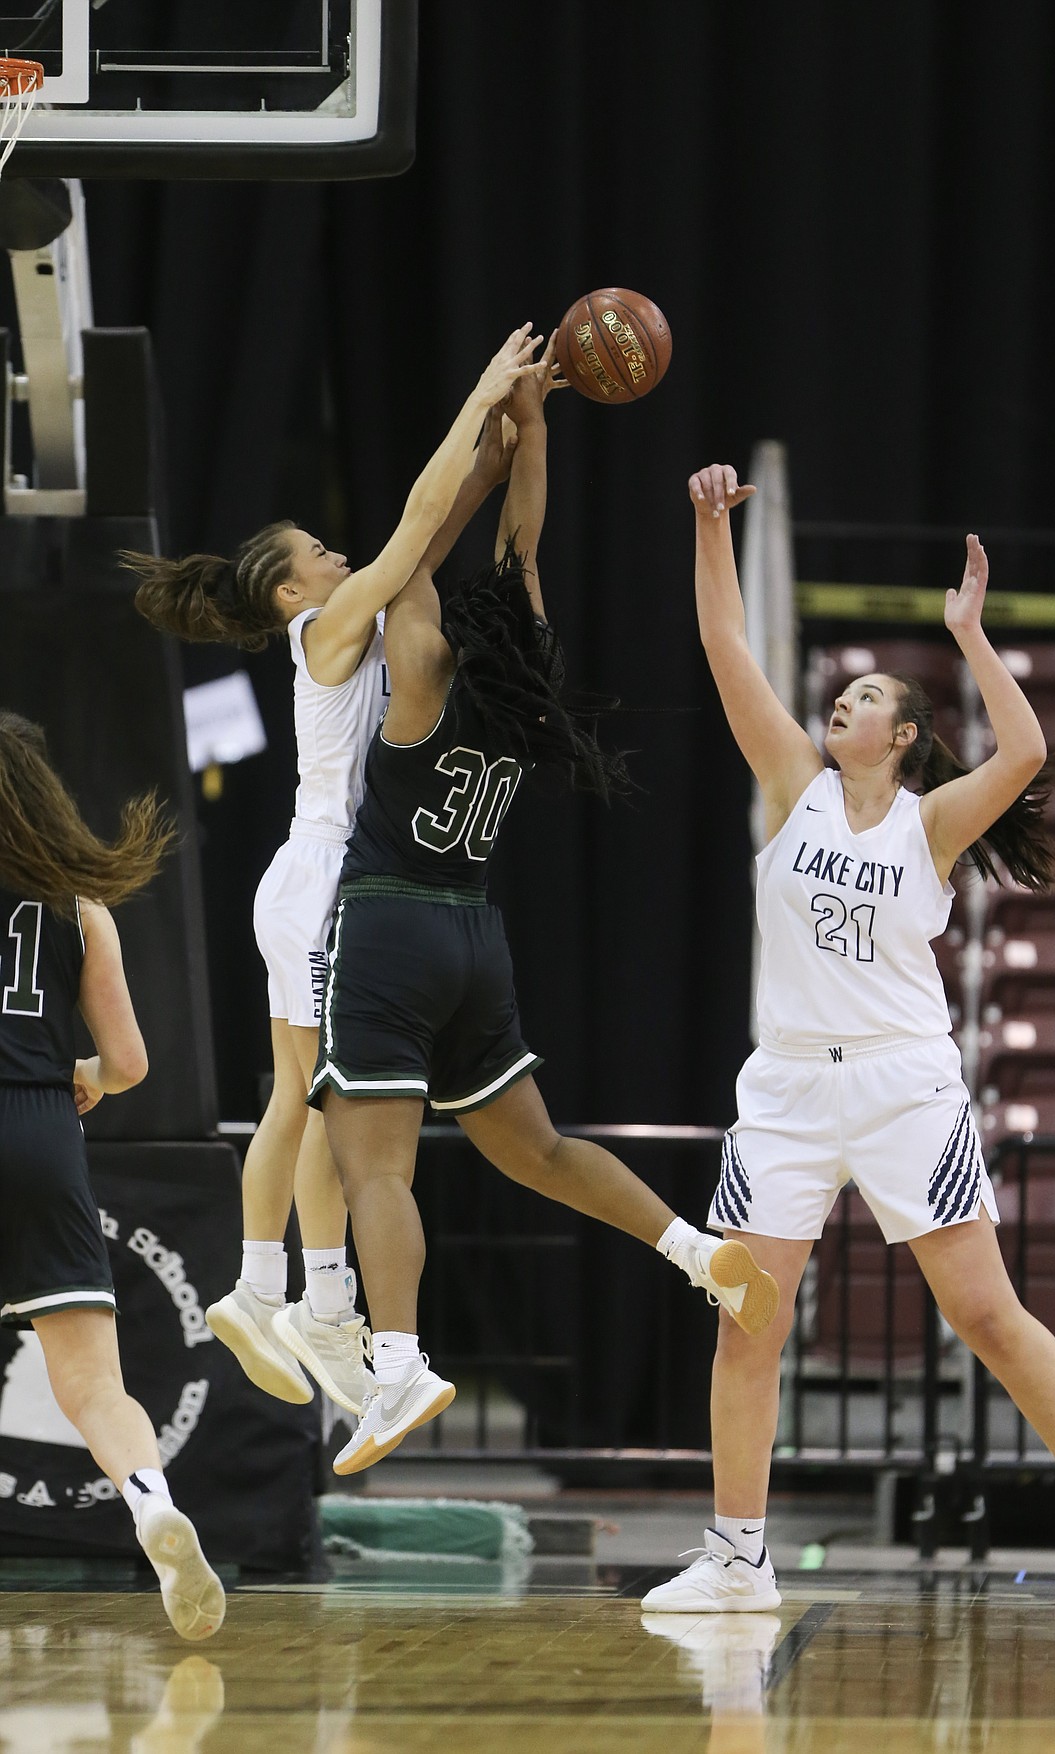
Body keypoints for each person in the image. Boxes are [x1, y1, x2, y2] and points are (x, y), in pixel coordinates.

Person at [642, 462, 1055, 1619]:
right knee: (747, 1318)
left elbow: (1026, 752)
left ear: (908, 732)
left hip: (900, 1087)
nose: (844, 698)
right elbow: (728, 643)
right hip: (784, 1083)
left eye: (869, 694)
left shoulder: (933, 821)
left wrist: (968, 634)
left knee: (984, 1312)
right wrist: (708, 527)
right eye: (842, 692)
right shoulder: (793, 785)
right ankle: (740, 1557)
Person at [308, 360, 781, 1477]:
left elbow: (413, 550)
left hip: (388, 926)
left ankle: (399, 1357)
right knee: (539, 1148)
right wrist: (531, 434)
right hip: (477, 935)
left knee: (374, 1168)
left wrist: (484, 420)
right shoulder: (526, 691)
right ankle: (689, 1243)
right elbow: (522, 556)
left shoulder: (418, 666)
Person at [128, 326, 544, 1420]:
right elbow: (409, 530)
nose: (335, 552)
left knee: (310, 1097)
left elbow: (420, 544)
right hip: (325, 880)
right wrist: (478, 400)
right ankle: (268, 1288)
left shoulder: (345, 622)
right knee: (309, 1101)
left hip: (310, 874)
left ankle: (296, 1293)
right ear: (284, 591)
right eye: (316, 545)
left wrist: (489, 467)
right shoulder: (325, 625)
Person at [0, 711, 224, 1640]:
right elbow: (129, 1061)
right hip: (43, 1126)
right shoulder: (80, 907)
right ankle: (149, 1504)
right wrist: (79, 1077)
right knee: (94, 1383)